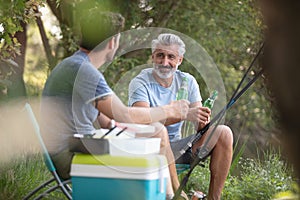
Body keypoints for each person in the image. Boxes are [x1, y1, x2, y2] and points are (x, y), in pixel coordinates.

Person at [40, 11, 190, 199]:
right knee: (150, 151)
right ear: (112, 42)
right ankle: (169, 195)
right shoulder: (84, 71)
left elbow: (107, 122)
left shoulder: (76, 66)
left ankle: (171, 195)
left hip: (75, 147)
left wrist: (138, 131)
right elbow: (123, 115)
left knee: (157, 131)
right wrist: (169, 110)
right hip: (70, 157)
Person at [128, 33, 233, 200]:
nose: (165, 62)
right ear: (153, 57)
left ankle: (214, 198)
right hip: (149, 148)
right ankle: (177, 193)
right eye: (160, 56)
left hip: (179, 148)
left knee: (224, 132)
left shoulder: (188, 81)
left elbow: (199, 127)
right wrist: (183, 115)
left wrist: (201, 119)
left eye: (171, 57)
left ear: (180, 60)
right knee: (157, 128)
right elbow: (142, 122)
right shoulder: (140, 82)